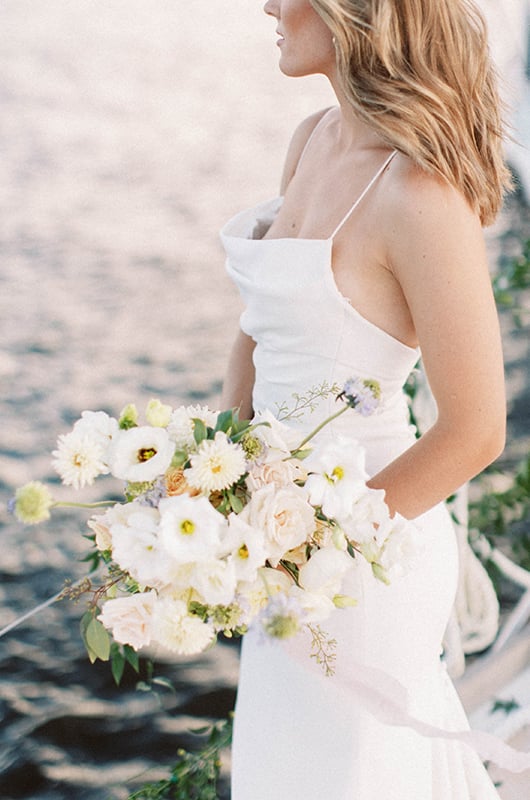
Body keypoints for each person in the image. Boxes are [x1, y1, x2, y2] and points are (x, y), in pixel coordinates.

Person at [220, 1, 511, 797]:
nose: (268, 6)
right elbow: (261, 323)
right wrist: (214, 477)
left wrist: (315, 547)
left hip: (365, 551)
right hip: (277, 539)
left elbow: (477, 429)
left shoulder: (418, 192)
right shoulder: (311, 141)